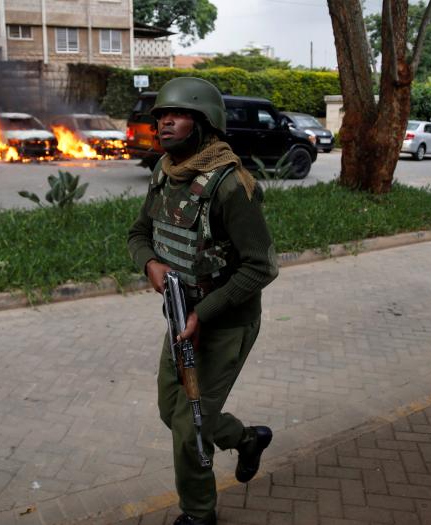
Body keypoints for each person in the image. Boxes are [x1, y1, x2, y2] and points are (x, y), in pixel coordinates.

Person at [127, 77, 280, 525]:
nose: (164, 122)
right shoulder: (164, 171)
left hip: (225, 324)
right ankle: (248, 438)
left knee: (187, 426)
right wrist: (150, 264)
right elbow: (138, 234)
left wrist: (203, 313)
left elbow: (261, 266)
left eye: (176, 114)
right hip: (181, 316)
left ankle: (199, 514)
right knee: (169, 410)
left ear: (205, 121)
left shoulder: (232, 185)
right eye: (160, 115)